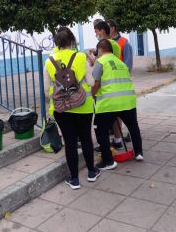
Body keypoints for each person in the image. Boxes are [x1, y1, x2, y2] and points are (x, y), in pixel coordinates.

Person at [44, 26, 100, 189]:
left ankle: (74, 179)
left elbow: (47, 86)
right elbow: (90, 82)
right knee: (86, 138)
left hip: (61, 108)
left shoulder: (49, 61)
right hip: (83, 105)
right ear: (72, 41)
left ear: (57, 42)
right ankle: (91, 172)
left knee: (69, 142)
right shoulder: (81, 57)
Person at [92, 39, 143, 170]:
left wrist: (92, 95)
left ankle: (108, 161)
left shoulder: (100, 62)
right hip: (128, 101)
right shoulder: (121, 63)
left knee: (100, 130)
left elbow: (95, 83)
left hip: (109, 103)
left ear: (100, 50)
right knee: (133, 127)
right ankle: (138, 153)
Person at [107, 19, 134, 148]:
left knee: (124, 112)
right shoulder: (106, 44)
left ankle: (128, 133)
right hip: (110, 84)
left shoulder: (124, 43)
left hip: (121, 83)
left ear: (112, 28)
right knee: (115, 113)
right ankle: (117, 137)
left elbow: (128, 66)